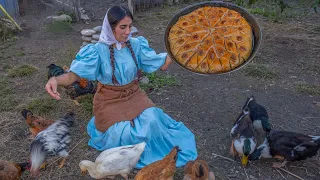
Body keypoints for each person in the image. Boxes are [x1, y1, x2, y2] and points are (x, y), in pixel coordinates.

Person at [45, 5, 197, 168]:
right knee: (125, 132)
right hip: (109, 100)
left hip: (133, 94)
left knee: (152, 119)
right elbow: (73, 75)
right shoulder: (98, 51)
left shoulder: (136, 45)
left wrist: (185, 47)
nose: (127, 32)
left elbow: (162, 64)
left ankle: (160, 152)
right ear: (110, 28)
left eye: (130, 26)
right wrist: (55, 80)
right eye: (122, 27)